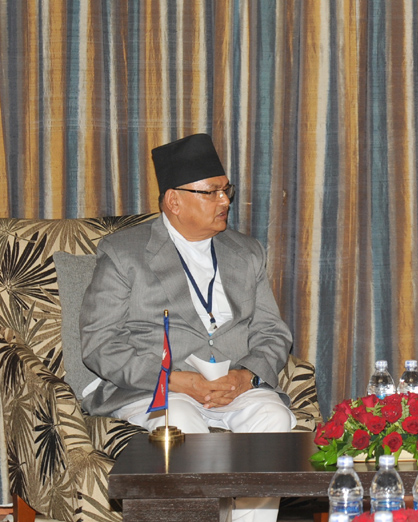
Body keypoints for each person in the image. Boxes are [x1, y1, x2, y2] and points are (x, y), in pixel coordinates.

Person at [80, 133, 293, 522]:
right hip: (158, 388)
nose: (225, 201)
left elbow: (272, 331)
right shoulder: (124, 253)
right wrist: (178, 381)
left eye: (225, 190)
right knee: (181, 426)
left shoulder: (246, 252)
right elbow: (100, 344)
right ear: (174, 201)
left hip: (232, 385)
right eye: (211, 193)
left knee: (274, 418)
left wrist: (246, 376)